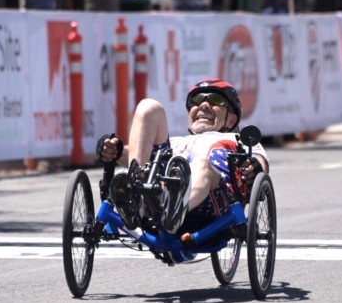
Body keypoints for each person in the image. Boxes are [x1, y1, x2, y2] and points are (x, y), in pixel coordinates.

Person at [97, 78, 269, 247]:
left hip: (213, 204)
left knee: (201, 166)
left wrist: (255, 166)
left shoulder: (237, 139)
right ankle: (135, 195)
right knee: (148, 107)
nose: (203, 105)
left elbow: (261, 162)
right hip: (159, 196)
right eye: (197, 100)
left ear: (231, 120)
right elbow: (138, 155)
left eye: (216, 100)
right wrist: (115, 150)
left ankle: (175, 208)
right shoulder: (176, 142)